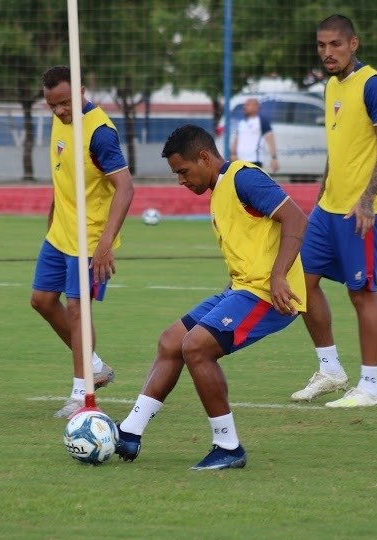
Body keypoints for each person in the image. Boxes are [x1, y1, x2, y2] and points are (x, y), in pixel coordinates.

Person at [115, 124, 307, 470]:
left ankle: (228, 446)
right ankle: (129, 432)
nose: (181, 181)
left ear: (204, 158)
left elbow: (296, 218)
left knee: (196, 347)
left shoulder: (244, 178)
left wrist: (279, 276)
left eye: (183, 171)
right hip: (243, 289)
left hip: (269, 295)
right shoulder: (218, 190)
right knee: (172, 340)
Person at [290, 14, 377, 408]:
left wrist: (367, 198)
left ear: (354, 44)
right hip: (328, 208)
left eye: (335, 44)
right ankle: (331, 369)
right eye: (321, 45)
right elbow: (339, 149)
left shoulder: (372, 85)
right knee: (301, 280)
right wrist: (320, 196)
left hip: (361, 211)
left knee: (362, 294)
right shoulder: (331, 86)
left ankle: (370, 387)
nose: (327, 52)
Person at [30, 65, 134, 418]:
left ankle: (82, 394)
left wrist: (105, 244)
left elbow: (125, 187)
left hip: (89, 238)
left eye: (64, 103)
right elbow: (63, 177)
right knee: (42, 301)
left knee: (77, 310)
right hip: (59, 233)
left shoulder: (100, 133)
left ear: (82, 91)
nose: (59, 111)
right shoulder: (59, 120)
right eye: (52, 105)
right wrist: (50, 221)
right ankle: (95, 366)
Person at [229, 97, 279, 173]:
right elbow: (236, 139)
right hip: (240, 161)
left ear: (256, 107)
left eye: (248, 105)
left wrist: (274, 158)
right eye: (245, 105)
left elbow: (270, 140)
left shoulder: (262, 121)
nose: (245, 107)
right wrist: (233, 154)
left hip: (254, 161)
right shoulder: (242, 122)